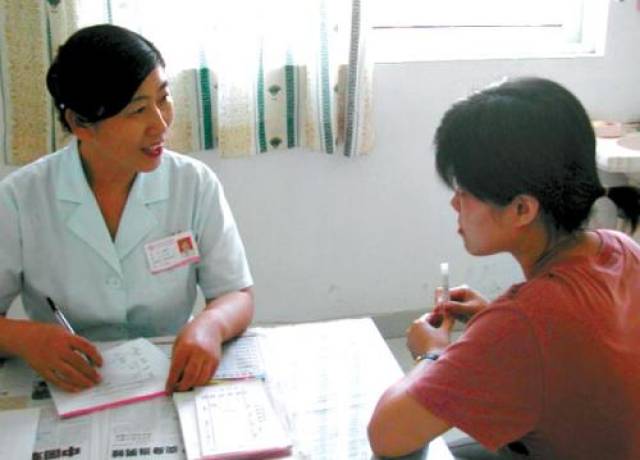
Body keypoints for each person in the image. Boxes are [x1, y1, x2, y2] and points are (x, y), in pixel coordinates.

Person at [368, 77, 640, 459]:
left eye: (464, 191)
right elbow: (576, 350)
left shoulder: (522, 326)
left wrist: (433, 355)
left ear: (522, 209)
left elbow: (386, 434)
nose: (455, 205)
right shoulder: (622, 249)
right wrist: (490, 319)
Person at [0, 24, 254, 395]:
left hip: (169, 378)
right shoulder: (20, 198)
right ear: (80, 123)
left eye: (163, 98)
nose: (160, 123)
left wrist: (210, 325)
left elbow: (236, 294)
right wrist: (24, 338)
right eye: (137, 110)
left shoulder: (193, 183)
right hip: (69, 384)